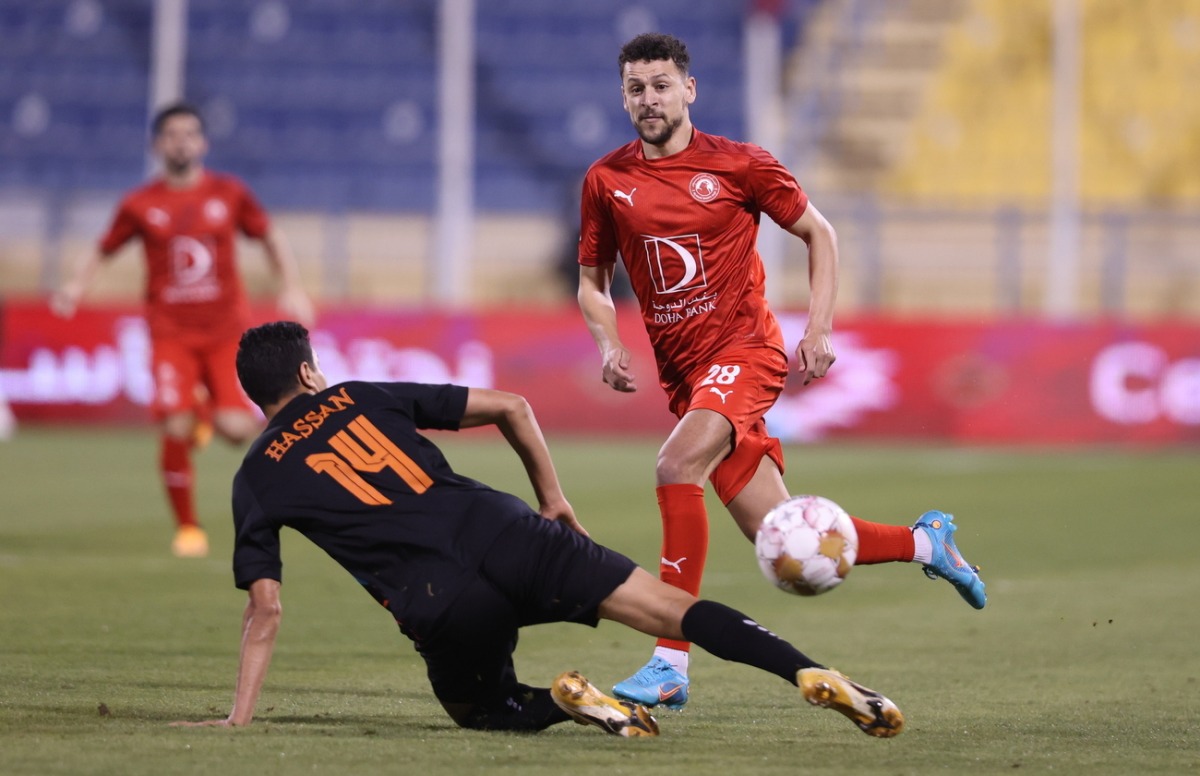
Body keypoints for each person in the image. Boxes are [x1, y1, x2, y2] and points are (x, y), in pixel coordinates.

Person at [170, 321, 904, 739]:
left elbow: (264, 608)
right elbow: (514, 406)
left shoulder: (255, 476)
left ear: (257, 396)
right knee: (671, 611)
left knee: (480, 709)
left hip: (437, 600)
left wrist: (238, 718)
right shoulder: (362, 394)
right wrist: (552, 499)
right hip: (506, 529)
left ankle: (566, 701)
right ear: (307, 372)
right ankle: (812, 670)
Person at [576, 33, 986, 708]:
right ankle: (925, 543)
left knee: (676, 468)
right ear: (624, 97)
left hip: (745, 352)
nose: (648, 99)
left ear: (689, 89)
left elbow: (818, 233)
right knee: (783, 531)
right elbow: (592, 281)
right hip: (686, 379)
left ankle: (669, 660)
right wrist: (606, 341)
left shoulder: (741, 165)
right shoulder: (606, 181)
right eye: (635, 89)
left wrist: (818, 326)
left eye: (660, 85)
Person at [51, 102, 314, 558]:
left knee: (236, 430)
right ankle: (188, 529)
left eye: (190, 134)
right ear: (158, 144)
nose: (181, 142)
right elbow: (103, 248)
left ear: (203, 143)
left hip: (226, 333)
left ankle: (203, 417)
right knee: (174, 424)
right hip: (169, 333)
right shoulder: (140, 204)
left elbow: (270, 235)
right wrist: (75, 286)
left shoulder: (229, 193)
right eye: (172, 135)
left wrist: (291, 286)